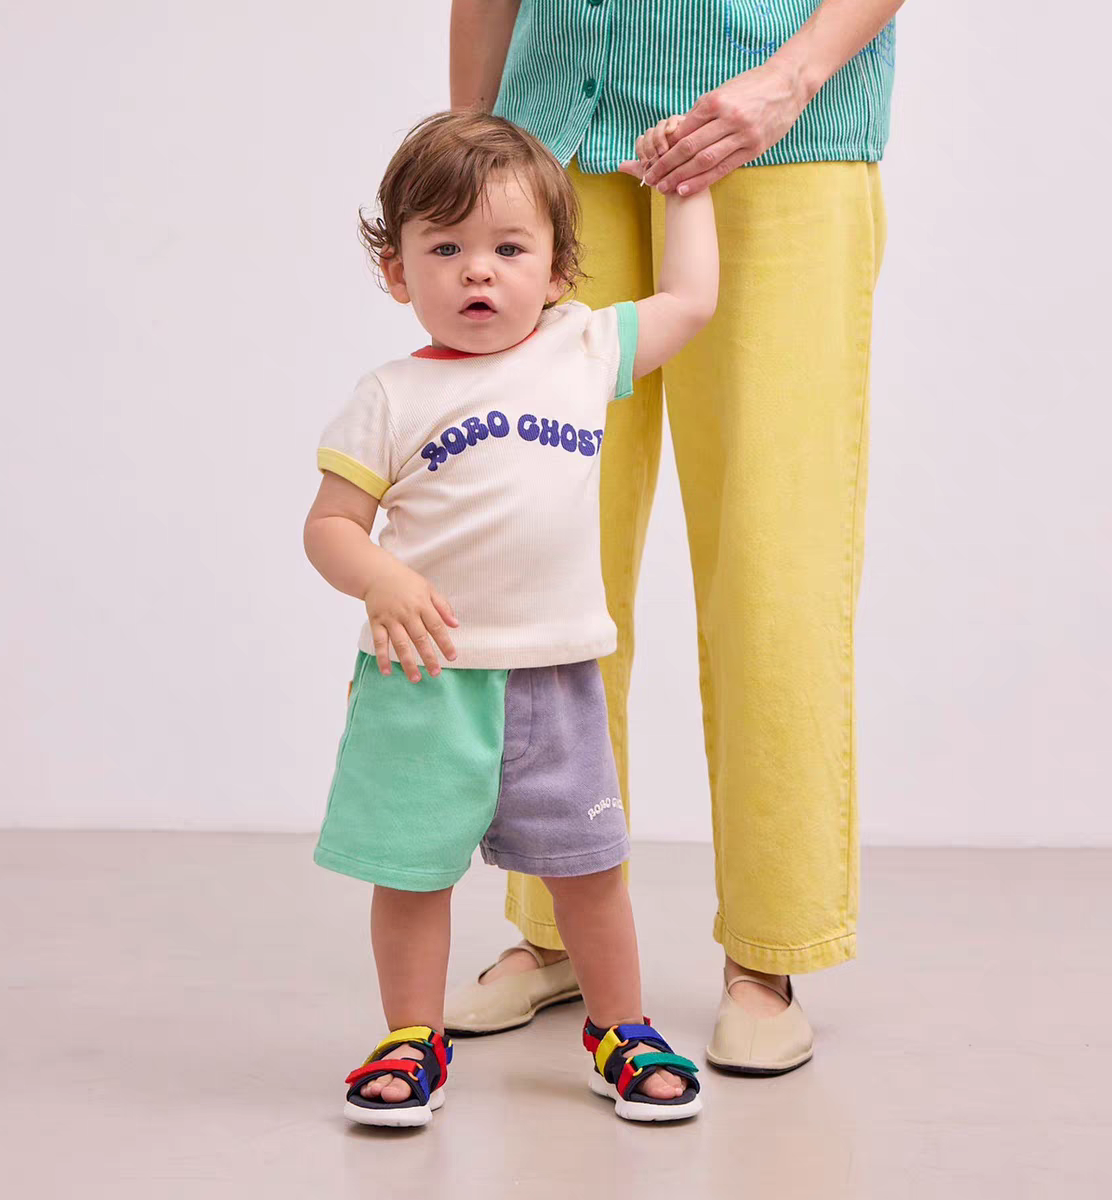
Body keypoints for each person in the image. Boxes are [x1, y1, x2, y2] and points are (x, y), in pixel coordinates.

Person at [444, 0, 903, 1076]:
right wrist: (471, 149)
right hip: (557, 140)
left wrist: (792, 77)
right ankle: (556, 927)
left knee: (772, 561)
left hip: (774, 136)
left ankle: (768, 955)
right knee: (550, 558)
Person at [304, 110, 718, 1126]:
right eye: (444, 249)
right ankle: (409, 1038)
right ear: (397, 272)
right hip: (425, 680)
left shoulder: (582, 349)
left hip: (557, 679)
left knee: (591, 873)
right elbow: (329, 527)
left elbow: (691, 302)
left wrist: (686, 192)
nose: (477, 272)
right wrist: (380, 579)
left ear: (559, 270)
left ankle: (620, 1029)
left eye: (508, 249)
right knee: (413, 876)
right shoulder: (390, 396)